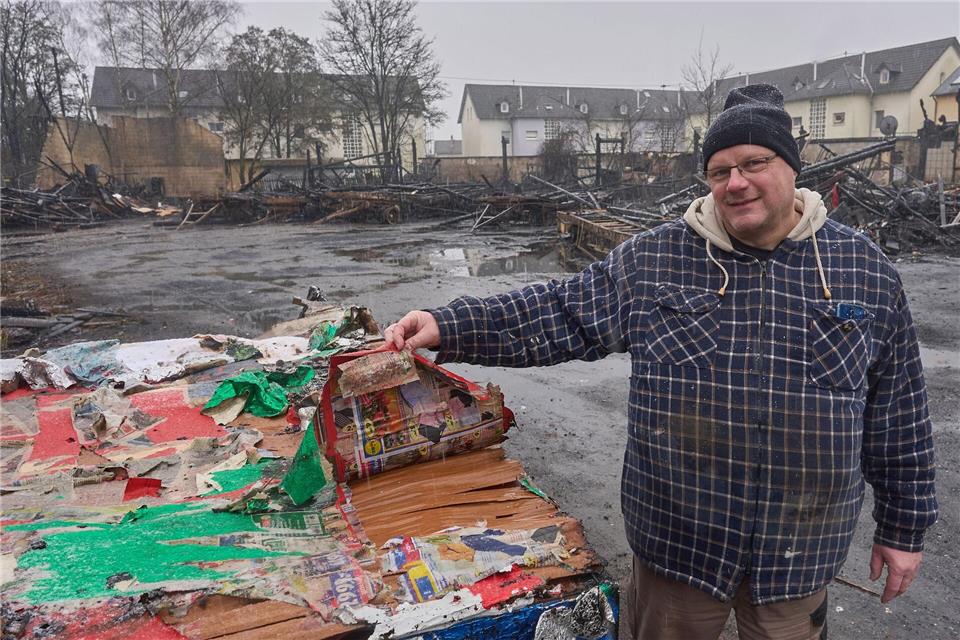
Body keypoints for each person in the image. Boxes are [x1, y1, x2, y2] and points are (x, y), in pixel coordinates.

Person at [384, 84, 937, 640]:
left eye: (754, 163)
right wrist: (448, 325)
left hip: (799, 554)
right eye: (720, 171)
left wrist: (903, 528)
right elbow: (558, 312)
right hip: (679, 550)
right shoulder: (658, 260)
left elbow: (900, 412)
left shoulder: (861, 269)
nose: (736, 182)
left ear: (791, 168)